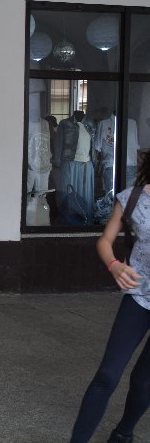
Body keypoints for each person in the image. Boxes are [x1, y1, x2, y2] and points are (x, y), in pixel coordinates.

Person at [70, 152, 150, 443]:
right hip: (139, 296)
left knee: (144, 382)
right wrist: (114, 265)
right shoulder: (132, 198)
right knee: (107, 375)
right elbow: (105, 240)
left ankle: (123, 433)